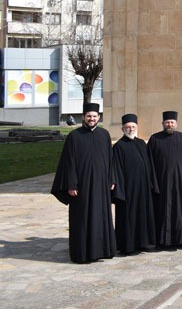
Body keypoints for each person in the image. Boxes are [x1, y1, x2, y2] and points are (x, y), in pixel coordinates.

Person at [51, 102, 116, 263]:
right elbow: (69, 163)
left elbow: (110, 160)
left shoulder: (104, 135)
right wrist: (71, 184)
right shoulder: (74, 136)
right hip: (82, 187)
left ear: (99, 117)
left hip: (101, 185)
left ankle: (103, 250)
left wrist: (111, 179)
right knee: (82, 217)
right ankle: (82, 252)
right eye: (89, 116)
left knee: (101, 216)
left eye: (94, 116)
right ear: (83, 117)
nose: (92, 119)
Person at [112, 113, 158, 255]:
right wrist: (120, 189)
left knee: (143, 216)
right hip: (128, 190)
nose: (131, 129)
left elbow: (149, 164)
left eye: (133, 126)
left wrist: (151, 183)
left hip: (143, 189)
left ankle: (144, 243)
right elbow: (116, 169)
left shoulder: (141, 143)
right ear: (122, 129)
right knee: (128, 217)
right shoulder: (119, 146)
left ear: (136, 127)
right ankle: (128, 245)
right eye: (128, 127)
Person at [148, 110, 182, 249]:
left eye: (172, 122)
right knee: (162, 211)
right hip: (161, 182)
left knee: (179, 210)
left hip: (179, 182)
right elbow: (150, 162)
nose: (169, 124)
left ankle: (179, 240)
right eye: (167, 122)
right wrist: (153, 181)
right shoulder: (154, 139)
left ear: (176, 124)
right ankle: (162, 241)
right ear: (163, 123)